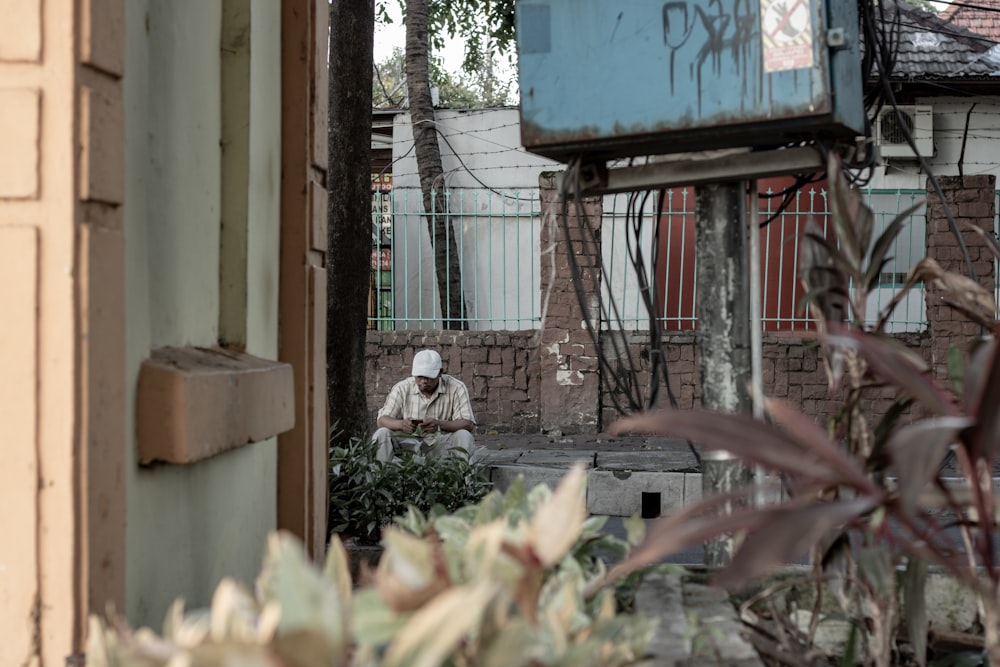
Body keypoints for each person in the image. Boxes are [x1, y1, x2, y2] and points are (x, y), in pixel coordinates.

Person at [372, 349, 477, 462]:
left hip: (440, 444)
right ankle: (380, 477)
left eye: (429, 376)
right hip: (408, 444)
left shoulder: (457, 387)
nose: (424, 381)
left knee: (464, 436)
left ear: (440, 372)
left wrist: (439, 424)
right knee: (381, 434)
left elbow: (468, 423)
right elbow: (382, 420)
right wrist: (402, 424)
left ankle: (463, 478)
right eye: (419, 376)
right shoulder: (402, 388)